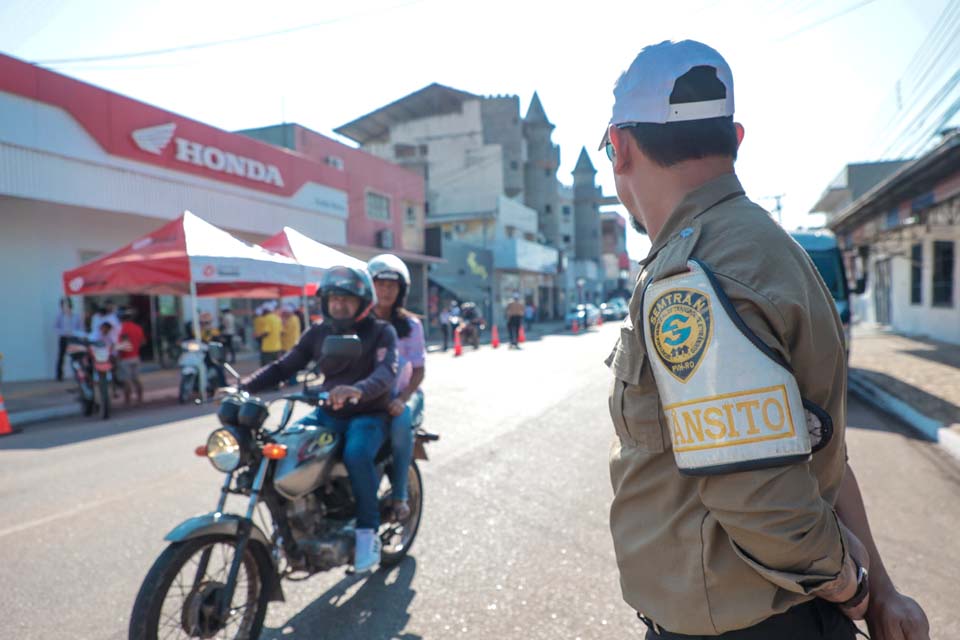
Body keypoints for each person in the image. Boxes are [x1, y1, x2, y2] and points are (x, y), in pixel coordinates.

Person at [601, 40, 929, 639]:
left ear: (619, 148)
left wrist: (854, 585)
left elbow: (761, 499)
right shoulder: (775, 252)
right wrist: (881, 589)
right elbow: (820, 452)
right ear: (736, 139)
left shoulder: (694, 276)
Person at [240, 265, 397, 573]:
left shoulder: (381, 331)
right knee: (282, 449)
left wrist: (358, 389)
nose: (339, 305)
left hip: (368, 413)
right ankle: (294, 525)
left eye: (347, 299)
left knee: (356, 453)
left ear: (364, 302)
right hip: (328, 412)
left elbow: (386, 371)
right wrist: (242, 388)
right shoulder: (318, 332)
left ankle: (367, 535)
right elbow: (284, 366)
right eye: (333, 298)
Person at [368, 253, 426, 522]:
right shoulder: (361, 323)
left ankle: (400, 495)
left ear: (401, 290)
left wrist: (403, 398)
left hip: (404, 395)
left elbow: (419, 370)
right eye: (380, 284)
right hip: (370, 396)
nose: (386, 291)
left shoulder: (412, 325)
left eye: (392, 286)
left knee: (400, 420)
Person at [117, 310, 145, 405]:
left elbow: (121, 345)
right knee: (136, 379)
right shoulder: (137, 328)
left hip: (125, 358)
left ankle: (127, 400)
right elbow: (142, 342)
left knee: (126, 381)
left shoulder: (121, 329)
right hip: (136, 356)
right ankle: (140, 398)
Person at [54, 297, 84, 381]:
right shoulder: (60, 316)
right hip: (64, 338)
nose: (65, 306)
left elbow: (80, 328)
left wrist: (75, 333)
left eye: (67, 304)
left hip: (74, 338)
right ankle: (59, 376)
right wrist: (63, 332)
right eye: (63, 305)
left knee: (75, 358)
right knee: (61, 357)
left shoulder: (76, 316)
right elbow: (55, 328)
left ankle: (78, 375)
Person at [280, 303, 302, 386]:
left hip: (289, 345)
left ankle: (292, 381)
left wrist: (282, 322)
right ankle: (292, 381)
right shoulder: (295, 318)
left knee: (289, 365)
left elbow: (283, 331)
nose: (283, 314)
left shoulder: (290, 320)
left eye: (284, 313)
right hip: (291, 344)